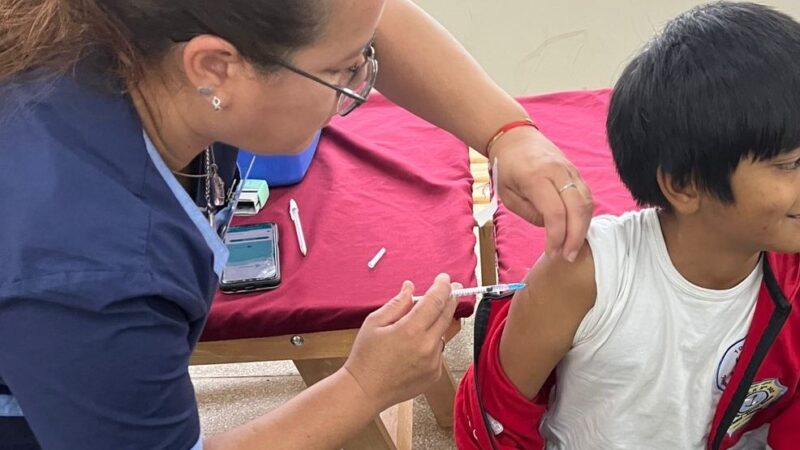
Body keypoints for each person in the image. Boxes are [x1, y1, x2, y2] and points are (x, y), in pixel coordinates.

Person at [0, 0, 594, 449]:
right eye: (341, 72)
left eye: (362, 60)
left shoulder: (152, 47)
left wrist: (506, 131)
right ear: (214, 67)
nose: (362, 82)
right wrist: (362, 386)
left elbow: (359, 19)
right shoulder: (88, 273)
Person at [454, 2, 800, 449]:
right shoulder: (586, 276)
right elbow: (494, 417)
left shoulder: (791, 279)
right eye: (789, 163)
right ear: (683, 185)